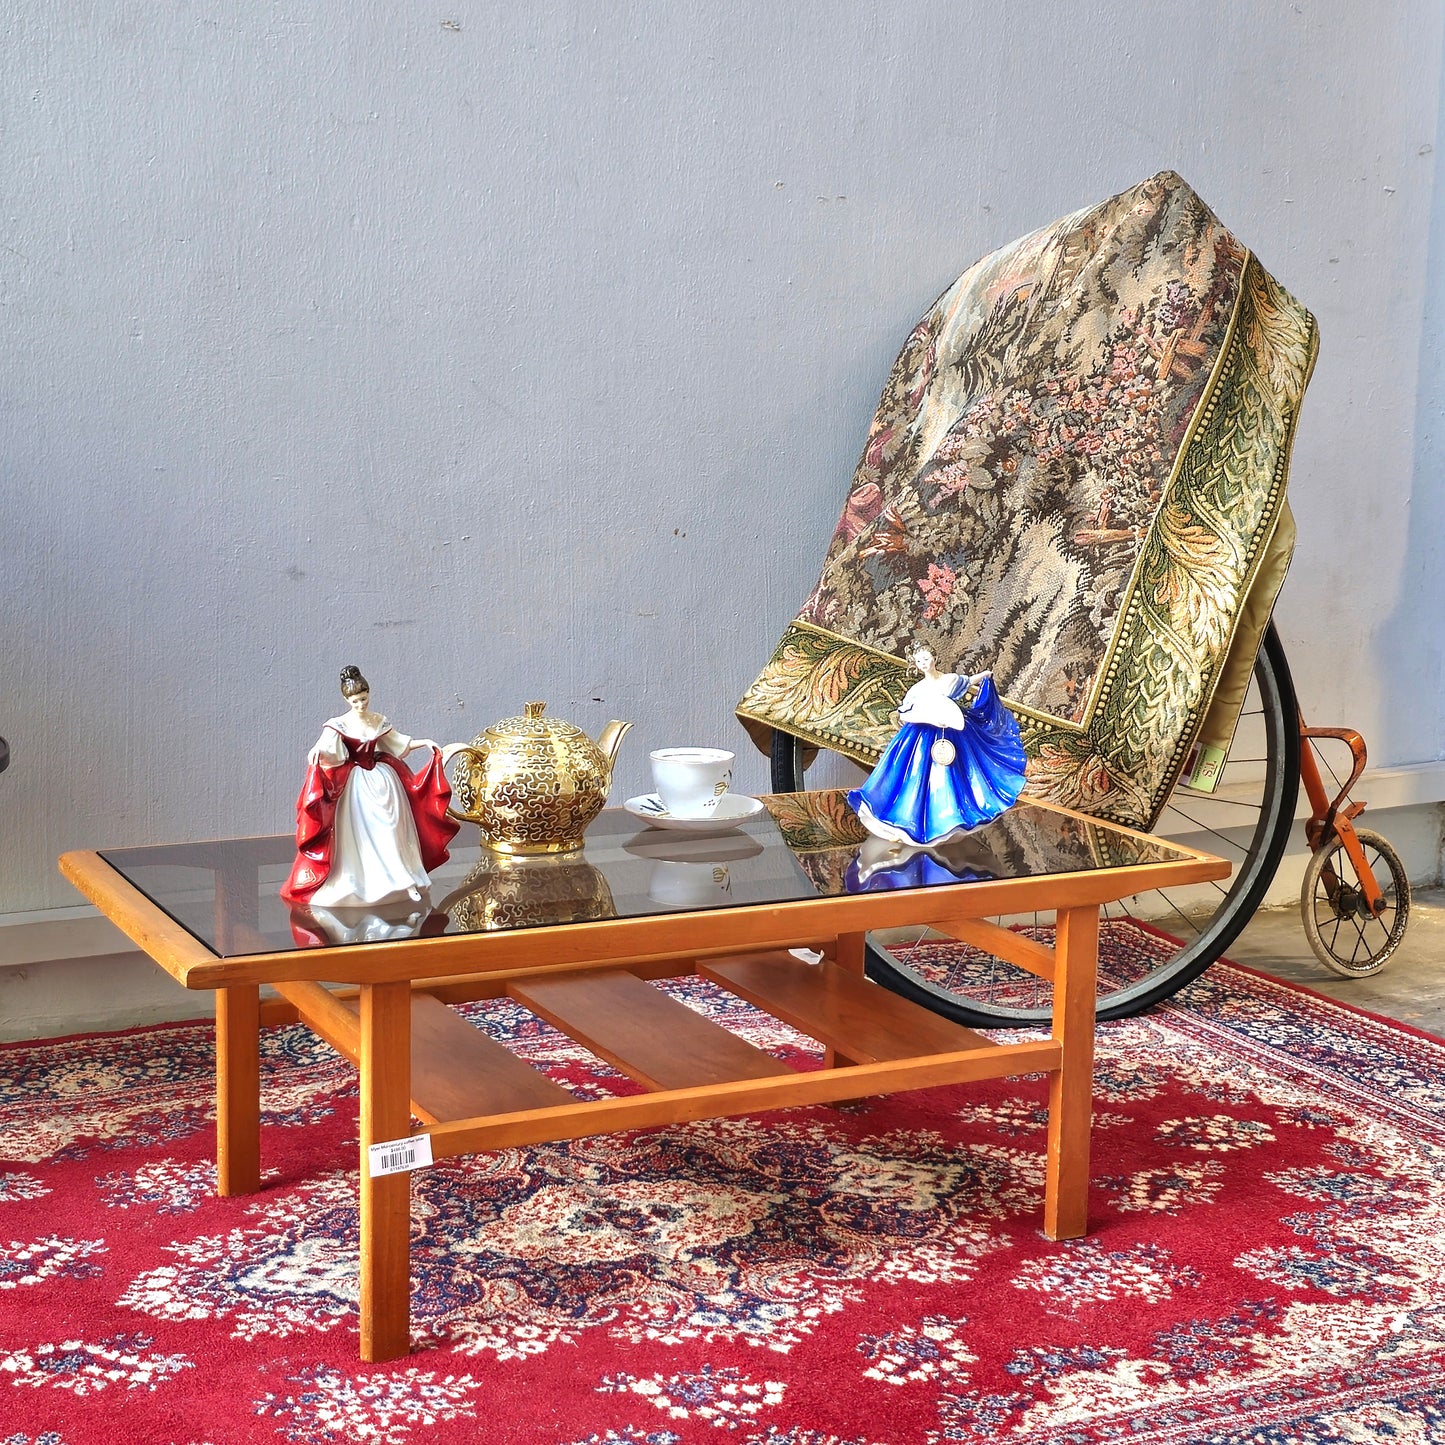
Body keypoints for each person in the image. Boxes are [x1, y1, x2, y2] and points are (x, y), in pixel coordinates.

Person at [281, 666, 459, 909]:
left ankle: (403, 879)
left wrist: (424, 742)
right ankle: (366, 881)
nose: (360, 704)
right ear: (347, 700)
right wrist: (316, 751)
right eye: (355, 701)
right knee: (364, 833)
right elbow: (325, 748)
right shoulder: (337, 725)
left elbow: (397, 743)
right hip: (356, 786)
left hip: (384, 780)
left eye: (363, 699)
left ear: (369, 694)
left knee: (393, 827)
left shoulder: (378, 720)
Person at [847, 645, 1026, 847]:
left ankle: (951, 815)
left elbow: (966, 682)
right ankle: (905, 819)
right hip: (919, 739)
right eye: (919, 660)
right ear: (915, 664)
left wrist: (984, 675)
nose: (924, 663)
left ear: (934, 657)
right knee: (909, 776)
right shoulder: (917, 689)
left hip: (954, 736)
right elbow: (904, 712)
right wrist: (926, 717)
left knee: (957, 775)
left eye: (927, 658)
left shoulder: (948, 679)